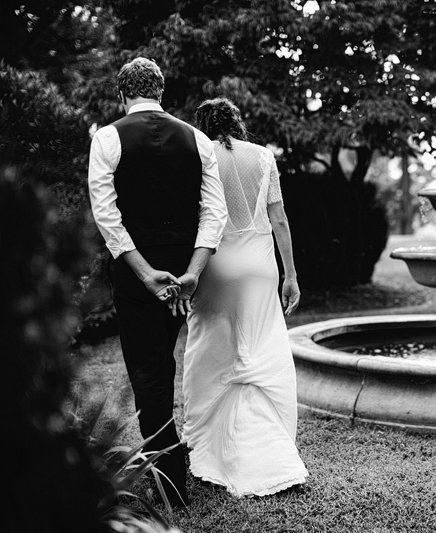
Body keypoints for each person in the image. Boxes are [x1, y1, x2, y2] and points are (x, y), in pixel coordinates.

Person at [87, 58, 228, 508]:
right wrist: (193, 271)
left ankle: (168, 480)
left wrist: (145, 274)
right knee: (161, 364)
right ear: (161, 92)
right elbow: (215, 213)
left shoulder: (108, 138)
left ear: (121, 94)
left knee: (149, 370)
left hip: (137, 276)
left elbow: (106, 215)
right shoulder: (198, 139)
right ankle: (168, 464)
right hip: (183, 271)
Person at [179, 97, 308, 497]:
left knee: (212, 349)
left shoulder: (200, 155)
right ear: (238, 123)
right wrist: (291, 274)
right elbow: (279, 218)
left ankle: (209, 445)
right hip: (260, 268)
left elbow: (195, 216)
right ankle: (271, 449)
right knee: (260, 349)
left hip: (217, 264)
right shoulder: (264, 156)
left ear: (202, 125)